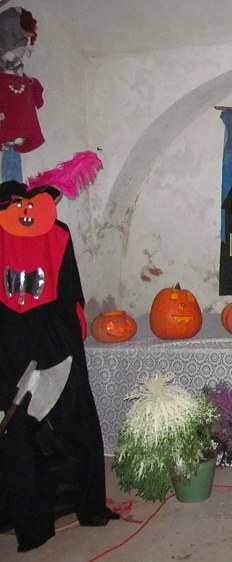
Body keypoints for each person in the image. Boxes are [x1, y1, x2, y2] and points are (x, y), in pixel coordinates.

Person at [0, 156, 116, 552]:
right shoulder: (57, 230)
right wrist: (75, 328)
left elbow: (69, 288)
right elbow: (72, 295)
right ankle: (78, 509)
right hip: (43, 330)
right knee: (38, 421)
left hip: (29, 330)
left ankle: (42, 520)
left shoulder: (58, 232)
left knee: (48, 419)